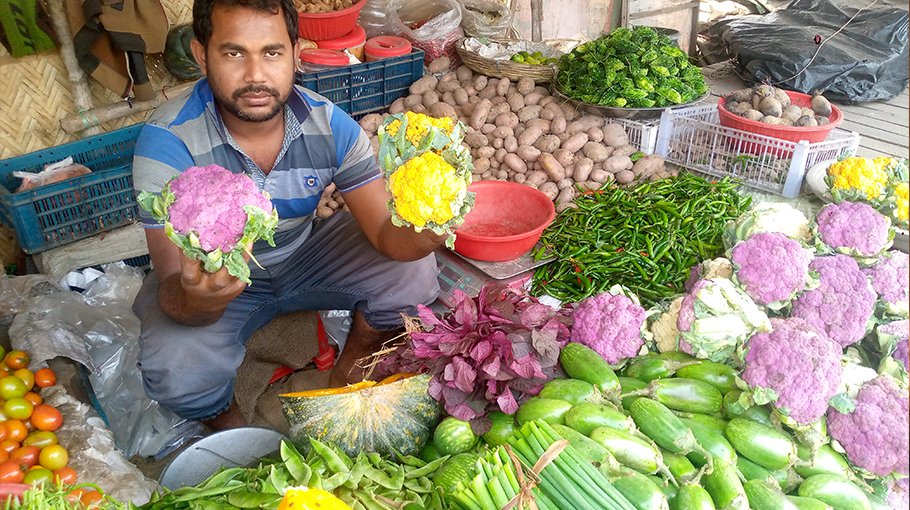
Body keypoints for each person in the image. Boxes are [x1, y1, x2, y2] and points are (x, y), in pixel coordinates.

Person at [131, 0, 444, 430]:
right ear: (202, 55)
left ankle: (350, 372)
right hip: (212, 278)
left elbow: (384, 233)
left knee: (415, 271)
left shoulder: (330, 125)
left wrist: (428, 231)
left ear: (296, 54)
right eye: (234, 53)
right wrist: (198, 301)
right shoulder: (169, 142)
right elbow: (172, 281)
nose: (255, 75)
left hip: (303, 255)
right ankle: (232, 430)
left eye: (272, 52)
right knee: (176, 371)